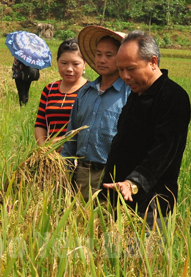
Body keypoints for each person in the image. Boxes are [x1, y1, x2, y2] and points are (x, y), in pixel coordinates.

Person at [102, 31, 191, 228]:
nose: (125, 76)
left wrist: (134, 183)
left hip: (151, 207)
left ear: (153, 62)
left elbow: (164, 150)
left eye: (131, 69)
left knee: (140, 258)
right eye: (121, 69)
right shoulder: (138, 93)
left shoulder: (173, 97)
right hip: (121, 198)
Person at [61, 26, 131, 201]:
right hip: (82, 174)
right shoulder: (85, 93)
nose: (102, 60)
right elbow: (71, 136)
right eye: (98, 54)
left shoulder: (129, 95)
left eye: (109, 55)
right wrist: (65, 172)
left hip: (113, 177)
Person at [35, 38, 88, 148]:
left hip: (78, 156)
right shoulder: (49, 90)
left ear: (84, 64)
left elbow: (88, 128)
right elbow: (40, 123)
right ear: (57, 62)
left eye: (75, 64)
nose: (69, 69)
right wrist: (43, 148)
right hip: (50, 155)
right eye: (64, 63)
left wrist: (59, 142)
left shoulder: (90, 91)